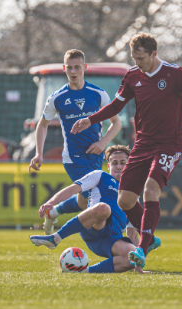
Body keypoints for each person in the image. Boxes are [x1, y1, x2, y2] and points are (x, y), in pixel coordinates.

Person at [71, 32, 182, 269]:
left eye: (140, 57)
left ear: (153, 54)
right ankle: (150, 240)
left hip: (169, 144)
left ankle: (142, 248)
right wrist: (90, 120)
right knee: (125, 200)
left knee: (151, 190)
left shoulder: (175, 74)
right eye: (133, 57)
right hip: (143, 144)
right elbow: (116, 105)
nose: (136, 62)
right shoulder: (132, 76)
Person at [28, 49, 122, 235]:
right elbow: (43, 124)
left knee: (83, 199)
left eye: (77, 67)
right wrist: (39, 153)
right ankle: (101, 237)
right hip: (74, 157)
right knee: (98, 193)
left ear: (84, 67)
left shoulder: (98, 94)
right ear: (64, 68)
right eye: (69, 67)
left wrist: (103, 143)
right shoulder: (57, 97)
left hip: (95, 154)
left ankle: (53, 212)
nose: (73, 71)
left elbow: (116, 123)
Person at [29, 145, 161, 273]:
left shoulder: (132, 195)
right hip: (94, 226)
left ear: (129, 165)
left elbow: (132, 234)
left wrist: (138, 267)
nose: (119, 166)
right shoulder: (100, 176)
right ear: (109, 166)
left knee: (131, 257)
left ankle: (84, 271)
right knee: (104, 208)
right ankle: (55, 238)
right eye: (115, 163)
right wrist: (51, 202)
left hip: (111, 239)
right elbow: (73, 189)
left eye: (123, 162)